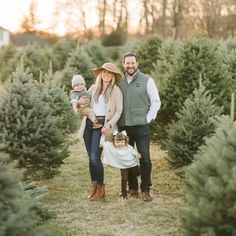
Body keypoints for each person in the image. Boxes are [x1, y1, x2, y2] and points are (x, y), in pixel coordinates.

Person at [118, 52, 161, 202]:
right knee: (127, 157)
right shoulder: (118, 82)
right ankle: (133, 187)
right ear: (123, 64)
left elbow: (156, 101)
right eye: (127, 63)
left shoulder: (147, 81)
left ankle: (146, 189)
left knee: (145, 158)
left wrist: (148, 118)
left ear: (137, 64)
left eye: (133, 63)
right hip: (124, 127)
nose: (130, 65)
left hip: (142, 126)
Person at [78, 62, 123, 202]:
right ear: (101, 73)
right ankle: (94, 186)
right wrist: (79, 103)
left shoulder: (116, 90)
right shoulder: (93, 88)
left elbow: (118, 111)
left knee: (94, 157)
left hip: (102, 125)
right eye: (104, 72)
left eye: (109, 73)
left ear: (113, 75)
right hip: (89, 124)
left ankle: (101, 188)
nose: (106, 74)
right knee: (90, 159)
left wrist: (109, 125)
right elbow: (82, 103)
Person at [101, 130, 141, 199]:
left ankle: (139, 172)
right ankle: (124, 193)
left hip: (132, 164)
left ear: (125, 141)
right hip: (123, 165)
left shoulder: (128, 147)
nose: (120, 144)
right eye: (117, 142)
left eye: (122, 142)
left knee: (137, 174)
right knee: (124, 179)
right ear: (114, 142)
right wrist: (103, 135)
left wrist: (137, 154)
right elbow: (103, 143)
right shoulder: (112, 146)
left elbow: (133, 151)